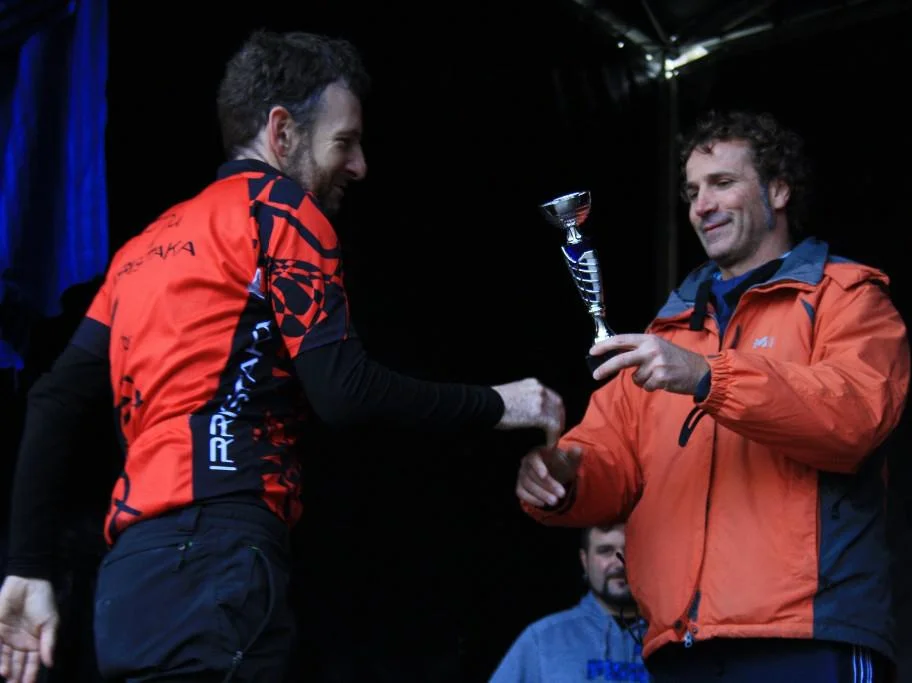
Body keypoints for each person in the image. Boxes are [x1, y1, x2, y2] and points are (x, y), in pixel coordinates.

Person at [0, 29, 565, 683]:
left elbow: (53, 398)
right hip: (220, 560)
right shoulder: (282, 212)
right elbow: (344, 391)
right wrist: (499, 403)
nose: (359, 165)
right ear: (282, 132)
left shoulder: (142, 249)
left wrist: (26, 567)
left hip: (129, 581)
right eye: (345, 142)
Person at [514, 110, 911, 682]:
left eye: (722, 183)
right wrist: (559, 479)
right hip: (683, 645)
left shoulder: (846, 298)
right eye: (693, 191)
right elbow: (606, 463)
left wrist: (709, 377)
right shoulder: (668, 333)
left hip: (807, 636)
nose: (701, 205)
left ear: (779, 190)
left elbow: (855, 419)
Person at [489, 523, 648, 682]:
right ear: (585, 561)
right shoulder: (542, 639)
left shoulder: (662, 639)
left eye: (630, 550)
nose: (620, 563)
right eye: (605, 551)